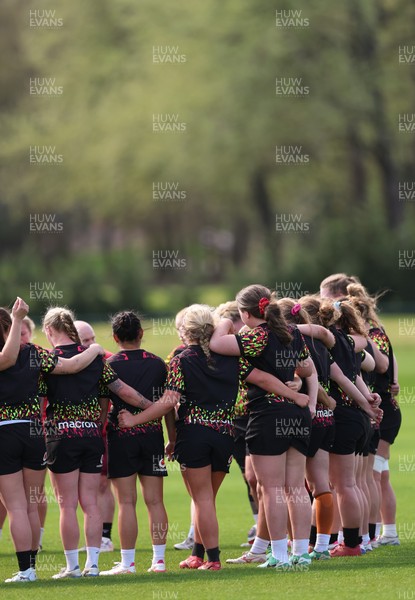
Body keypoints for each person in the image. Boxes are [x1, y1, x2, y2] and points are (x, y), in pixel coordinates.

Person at [119, 303, 310, 571]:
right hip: (224, 435)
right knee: (207, 499)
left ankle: (213, 558)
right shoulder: (231, 359)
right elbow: (265, 379)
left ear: (186, 332)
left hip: (194, 435)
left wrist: (134, 420)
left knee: (202, 500)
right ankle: (198, 553)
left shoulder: (182, 359)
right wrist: (296, 392)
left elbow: (167, 403)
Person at [41, 307, 158, 579]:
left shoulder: (48, 361)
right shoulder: (95, 360)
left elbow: (38, 401)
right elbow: (122, 391)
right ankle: (92, 565)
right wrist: (153, 408)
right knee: (91, 503)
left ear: (48, 331)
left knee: (67, 504)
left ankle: (72, 566)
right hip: (92, 437)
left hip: (61, 437)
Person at [210, 285, 317, 570]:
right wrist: (290, 378)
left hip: (267, 414)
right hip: (297, 415)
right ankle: (302, 553)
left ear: (245, 313)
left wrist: (223, 320)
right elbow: (306, 368)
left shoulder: (254, 336)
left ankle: (279, 555)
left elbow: (216, 344)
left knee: (271, 489)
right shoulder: (291, 332)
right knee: (296, 487)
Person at [0, 300, 105, 584]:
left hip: (5, 433)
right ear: (13, 329)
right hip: (34, 433)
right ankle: (33, 566)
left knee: (16, 507)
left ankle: (27, 571)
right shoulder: (34, 352)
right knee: (32, 505)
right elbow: (71, 366)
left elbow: (6, 360)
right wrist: (95, 348)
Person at [100, 311, 172, 575]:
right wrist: (172, 438)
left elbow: (103, 406)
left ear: (116, 337)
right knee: (155, 501)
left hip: (121, 437)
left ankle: (128, 563)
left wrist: (100, 428)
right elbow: (169, 407)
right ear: (141, 333)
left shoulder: (109, 365)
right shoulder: (158, 364)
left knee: (127, 503)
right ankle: (159, 561)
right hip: (153, 436)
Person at [346, 282, 401, 546]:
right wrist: (395, 381)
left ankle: (377, 534)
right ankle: (383, 533)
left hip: (382, 410)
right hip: (382, 406)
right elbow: (394, 363)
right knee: (378, 474)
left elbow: (383, 363)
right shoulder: (377, 331)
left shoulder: (371, 333)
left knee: (375, 475)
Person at [74, 320, 115, 554]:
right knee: (76, 491)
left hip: (104, 430)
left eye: (92, 339)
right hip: (76, 432)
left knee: (101, 484)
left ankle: (105, 537)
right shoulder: (67, 361)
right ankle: (90, 537)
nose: (92, 344)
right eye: (85, 341)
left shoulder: (106, 358)